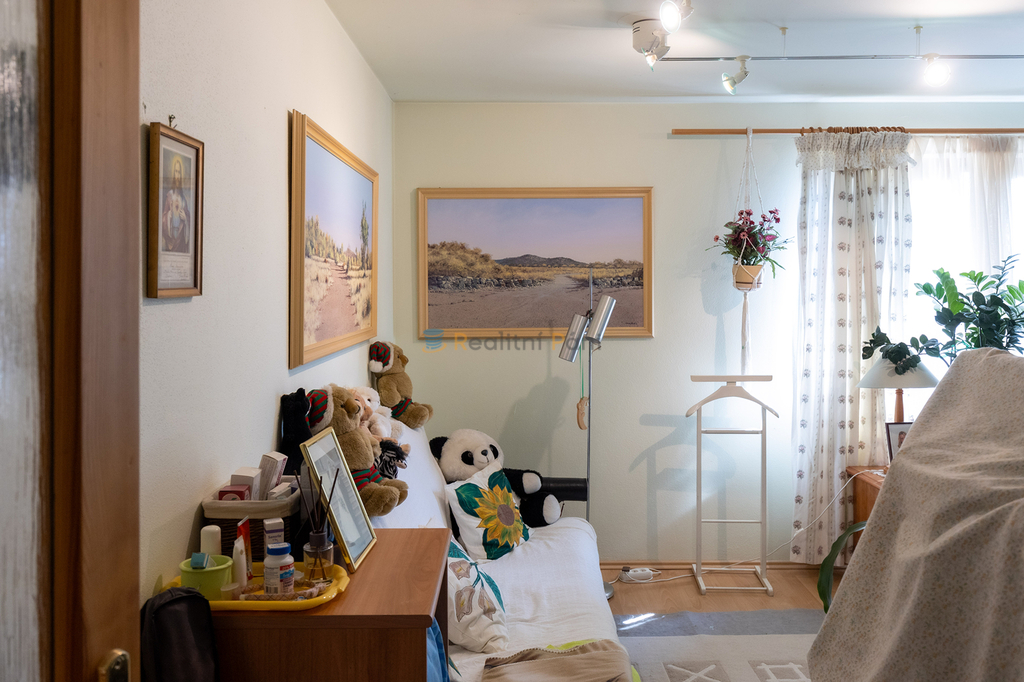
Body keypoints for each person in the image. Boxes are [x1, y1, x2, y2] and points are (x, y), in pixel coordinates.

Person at [160, 155, 192, 253]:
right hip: (171, 243)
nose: (178, 176)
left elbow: (190, 220)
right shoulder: (169, 196)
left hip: (181, 244)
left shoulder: (183, 200)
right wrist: (169, 214)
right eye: (176, 172)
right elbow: (162, 219)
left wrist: (185, 219)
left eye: (179, 172)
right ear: (173, 174)